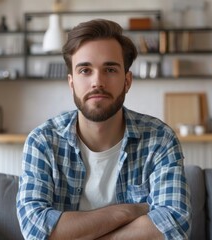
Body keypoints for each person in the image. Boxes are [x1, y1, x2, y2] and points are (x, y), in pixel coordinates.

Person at [16, 19, 191, 240]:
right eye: (85, 70)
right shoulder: (42, 141)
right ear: (71, 82)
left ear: (127, 81)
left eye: (109, 69)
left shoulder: (160, 139)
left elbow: (174, 225)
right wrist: (128, 211)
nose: (97, 81)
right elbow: (36, 228)